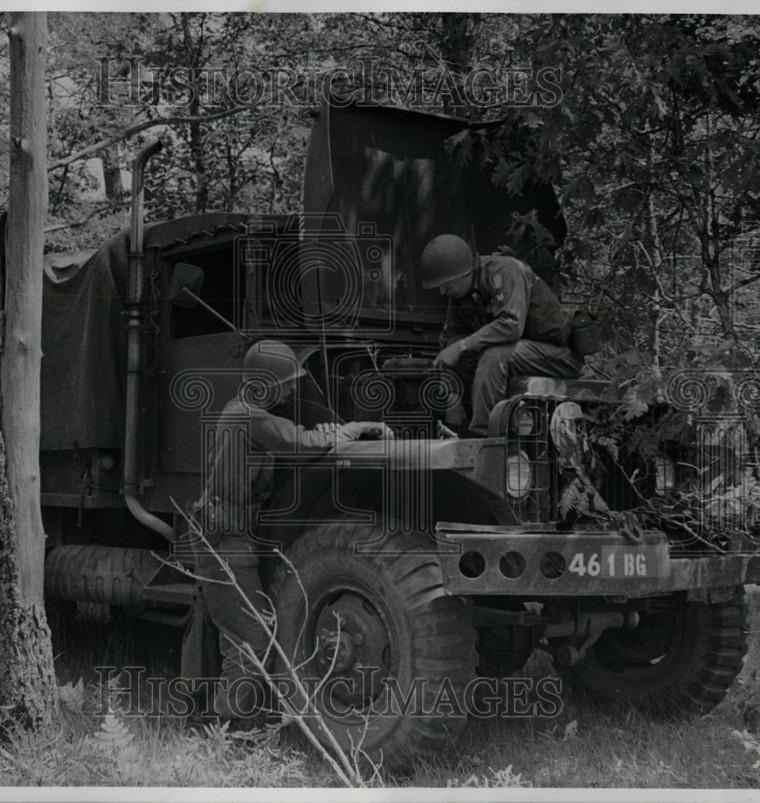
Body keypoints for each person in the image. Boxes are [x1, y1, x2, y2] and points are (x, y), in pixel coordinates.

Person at [191, 339, 390, 724]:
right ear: (264, 383)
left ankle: (232, 716)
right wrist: (352, 430)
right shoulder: (249, 416)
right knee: (249, 633)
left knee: (246, 626)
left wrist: (336, 431)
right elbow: (299, 441)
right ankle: (232, 727)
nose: (294, 388)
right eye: (287, 381)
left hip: (228, 536)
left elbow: (294, 435)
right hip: (226, 539)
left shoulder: (247, 413)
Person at [420, 234, 581, 436]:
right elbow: (449, 345)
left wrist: (463, 346)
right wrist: (452, 396)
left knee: (494, 356)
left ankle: (483, 437)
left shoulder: (504, 272)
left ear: (463, 274)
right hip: (520, 354)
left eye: (446, 284)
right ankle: (460, 433)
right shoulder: (460, 296)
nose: (443, 291)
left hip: (558, 356)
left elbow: (511, 324)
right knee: (458, 351)